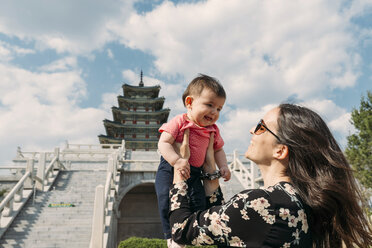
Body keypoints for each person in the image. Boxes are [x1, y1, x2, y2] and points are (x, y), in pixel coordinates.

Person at [169, 103, 372, 247]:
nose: (251, 130)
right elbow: (222, 221)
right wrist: (211, 169)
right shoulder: (301, 202)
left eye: (261, 127)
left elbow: (182, 229)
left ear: (280, 151)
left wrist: (180, 165)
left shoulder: (259, 203)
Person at [155, 74, 231, 247]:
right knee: (166, 197)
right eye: (209, 105)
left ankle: (192, 234)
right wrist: (176, 160)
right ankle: (171, 236)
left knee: (198, 202)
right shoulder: (180, 121)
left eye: (219, 109)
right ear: (189, 102)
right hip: (170, 167)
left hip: (196, 172)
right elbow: (163, 143)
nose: (214, 112)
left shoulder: (213, 130)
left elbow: (218, 149)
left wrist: (223, 166)